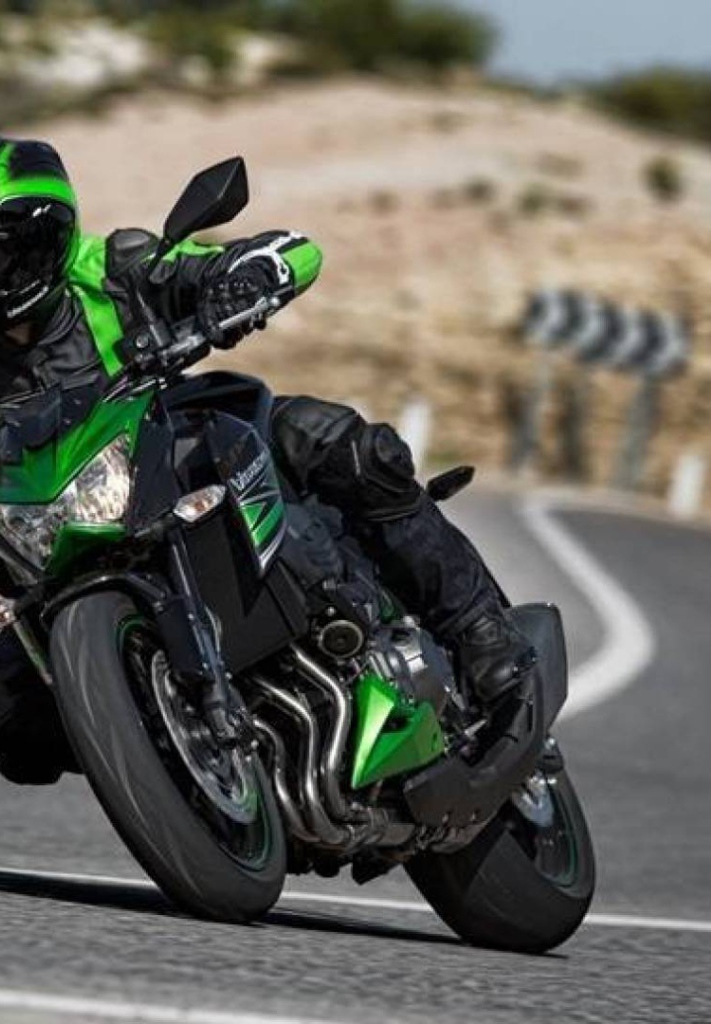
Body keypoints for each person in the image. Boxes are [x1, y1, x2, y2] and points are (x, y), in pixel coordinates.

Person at [0, 137, 535, 785]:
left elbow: (290, 250)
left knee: (334, 442)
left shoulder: (115, 270)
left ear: (51, 238)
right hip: (51, 532)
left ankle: (481, 630)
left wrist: (246, 277)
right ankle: (162, 755)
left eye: (8, 247)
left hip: (161, 455)